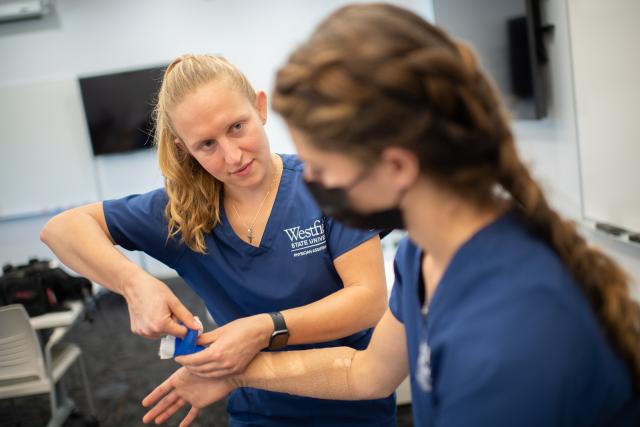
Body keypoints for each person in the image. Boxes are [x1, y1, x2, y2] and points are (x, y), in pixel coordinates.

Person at [141, 4, 640, 427]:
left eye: (323, 165)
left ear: (396, 165)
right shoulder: (424, 252)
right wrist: (235, 374)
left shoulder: (508, 335)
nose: (307, 180)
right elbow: (368, 374)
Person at [40, 54, 397, 426]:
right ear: (183, 148)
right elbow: (62, 229)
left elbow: (368, 301)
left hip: (353, 401)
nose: (232, 156)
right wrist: (133, 283)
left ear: (260, 106)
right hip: (259, 411)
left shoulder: (328, 184)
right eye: (206, 145)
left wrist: (264, 328)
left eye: (237, 127)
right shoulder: (183, 212)